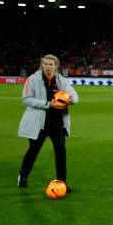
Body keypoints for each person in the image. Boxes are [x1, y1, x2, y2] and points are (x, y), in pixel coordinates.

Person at [17, 54, 78, 189]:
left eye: (51, 64)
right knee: (33, 151)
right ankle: (23, 176)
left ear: (56, 66)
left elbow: (75, 96)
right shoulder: (33, 79)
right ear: (42, 65)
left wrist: (70, 100)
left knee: (61, 151)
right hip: (39, 123)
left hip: (57, 123)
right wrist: (48, 104)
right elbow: (26, 99)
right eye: (45, 64)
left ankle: (62, 183)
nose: (48, 67)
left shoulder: (61, 80)